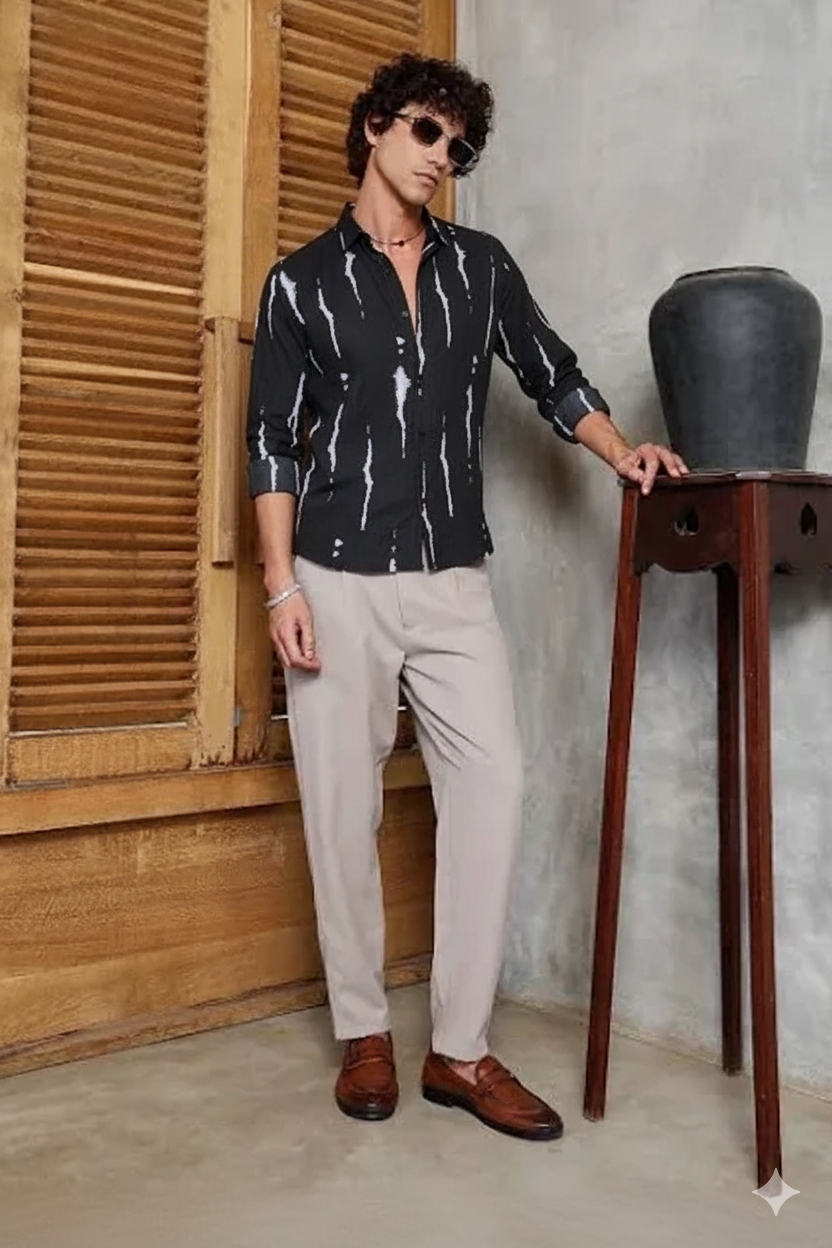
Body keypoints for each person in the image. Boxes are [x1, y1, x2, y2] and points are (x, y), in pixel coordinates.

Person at [246, 52, 687, 1142]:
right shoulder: (300, 284)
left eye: (459, 144)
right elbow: (271, 446)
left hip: (451, 576)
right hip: (335, 577)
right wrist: (279, 584)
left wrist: (622, 452)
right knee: (340, 810)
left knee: (493, 786)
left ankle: (459, 1048)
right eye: (425, 131)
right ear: (373, 128)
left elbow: (551, 372)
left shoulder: (479, 269)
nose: (442, 156)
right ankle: (363, 1032)